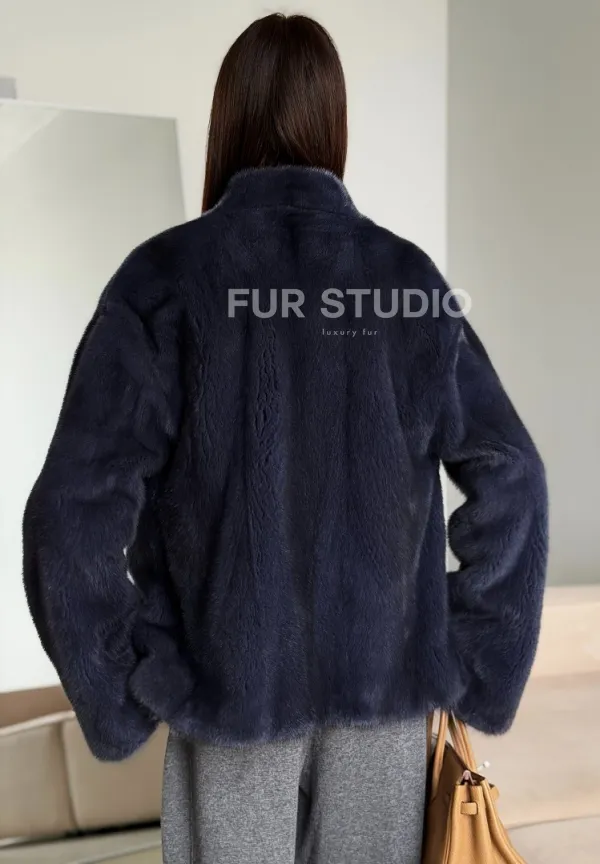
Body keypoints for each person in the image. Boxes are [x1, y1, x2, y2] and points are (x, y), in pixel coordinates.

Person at [22, 13, 548, 864]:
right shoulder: (404, 282)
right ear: (333, 122)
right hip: (380, 708)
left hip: (227, 699)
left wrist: (129, 681)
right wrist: (464, 656)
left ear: (227, 116)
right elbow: (512, 474)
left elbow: (70, 512)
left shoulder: (164, 280)